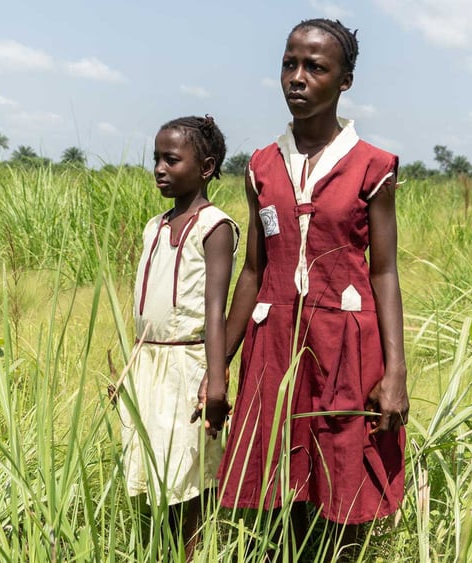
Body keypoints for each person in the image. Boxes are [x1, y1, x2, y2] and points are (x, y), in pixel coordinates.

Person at [218, 17, 409, 559]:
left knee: (343, 465)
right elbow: (254, 271)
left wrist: (395, 370)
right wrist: (217, 364)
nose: (297, 78)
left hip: (344, 341)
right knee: (279, 468)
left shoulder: (373, 165)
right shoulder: (261, 166)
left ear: (344, 81)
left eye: (316, 67)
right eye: (289, 64)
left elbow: (385, 271)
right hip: (275, 340)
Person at [120, 115, 238, 560]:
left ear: (205, 167)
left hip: (187, 367)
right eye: (156, 159)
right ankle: (162, 551)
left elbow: (214, 309)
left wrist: (218, 377)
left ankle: (194, 553)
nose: (160, 169)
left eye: (172, 159)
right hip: (147, 364)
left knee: (190, 476)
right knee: (154, 470)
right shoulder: (155, 225)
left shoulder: (216, 227)